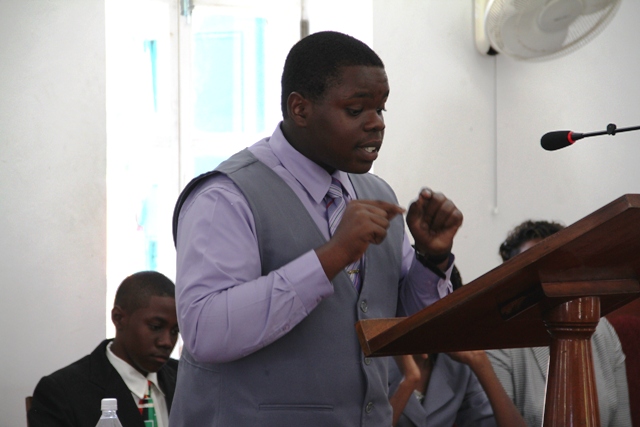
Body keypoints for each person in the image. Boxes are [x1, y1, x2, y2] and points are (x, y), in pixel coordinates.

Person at [170, 30, 464, 427]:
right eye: (357, 110)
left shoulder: (375, 192)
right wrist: (330, 257)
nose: (376, 124)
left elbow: (411, 326)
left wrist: (432, 258)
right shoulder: (227, 196)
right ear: (300, 109)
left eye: (382, 110)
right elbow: (206, 330)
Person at [487, 220, 632, 427]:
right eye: (533, 270)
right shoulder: (500, 341)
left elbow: (622, 422)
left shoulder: (602, 329)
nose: (544, 280)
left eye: (555, 267)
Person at [28, 271, 180, 427]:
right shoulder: (62, 392)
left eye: (175, 331)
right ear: (119, 319)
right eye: (155, 327)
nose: (167, 342)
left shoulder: (186, 380)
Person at [388, 267, 527, 427]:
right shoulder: (374, 363)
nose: (427, 320)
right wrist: (409, 381)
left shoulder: (456, 366)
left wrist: (480, 363)